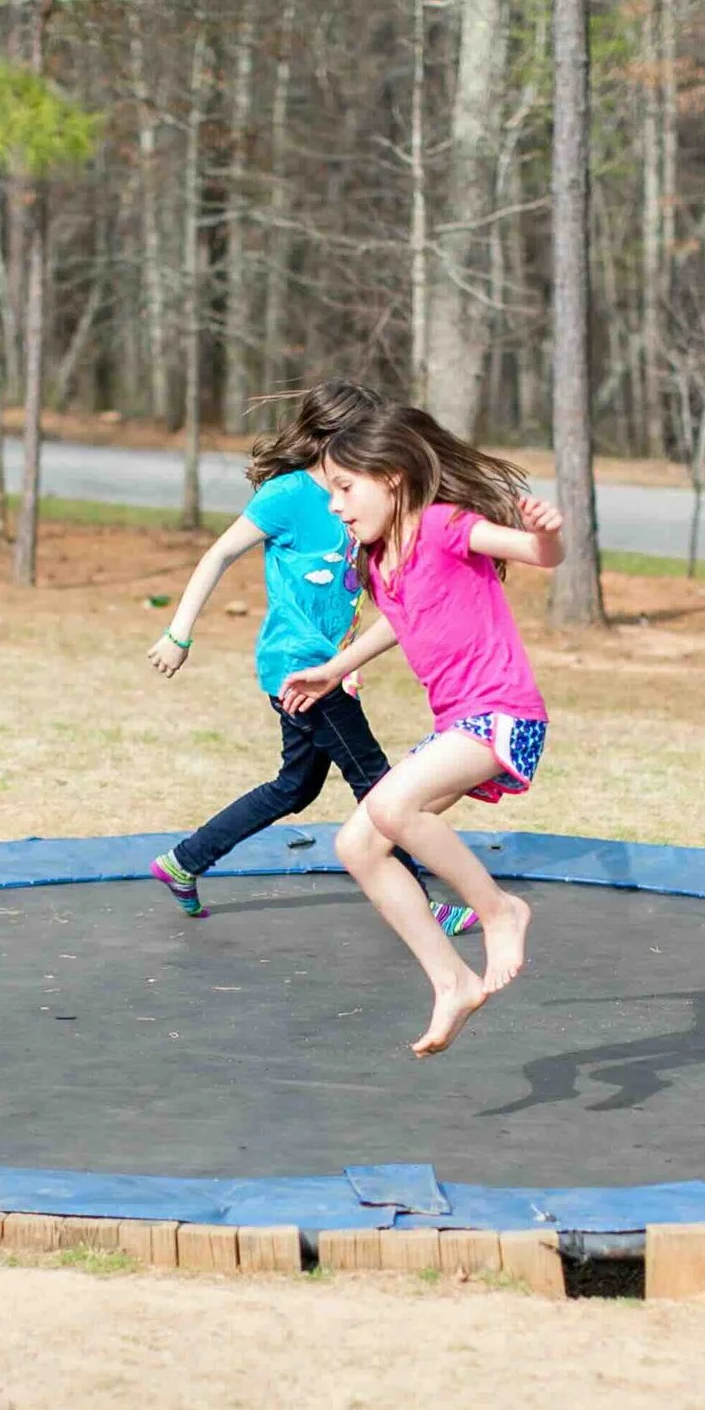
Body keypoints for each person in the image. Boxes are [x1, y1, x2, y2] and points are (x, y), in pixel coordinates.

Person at [278, 404, 563, 1057]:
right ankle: (453, 980)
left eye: (346, 489)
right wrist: (333, 669)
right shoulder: (382, 561)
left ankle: (499, 910)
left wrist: (545, 536)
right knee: (358, 845)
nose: (337, 507)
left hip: (504, 713)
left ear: (394, 477)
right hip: (459, 724)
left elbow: (533, 552)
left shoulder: (444, 524)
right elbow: (402, 622)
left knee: (389, 802)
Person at [145, 381, 476, 939]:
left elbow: (353, 589)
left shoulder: (358, 499)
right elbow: (219, 553)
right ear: (331, 439)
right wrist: (179, 633)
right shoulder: (288, 496)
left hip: (328, 667)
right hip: (298, 667)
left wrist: (349, 657)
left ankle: (185, 859)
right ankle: (420, 904)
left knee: (295, 785)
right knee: (377, 783)